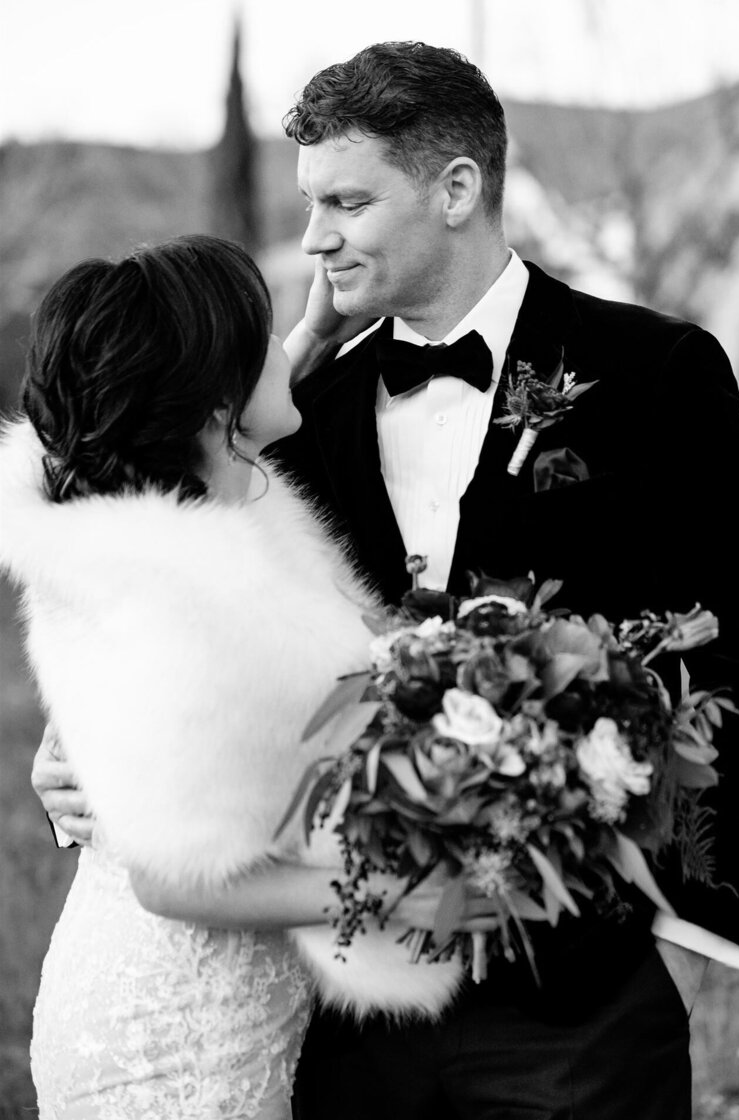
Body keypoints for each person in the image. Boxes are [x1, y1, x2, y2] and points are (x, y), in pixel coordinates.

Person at [32, 41, 739, 1120]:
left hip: (575, 1002)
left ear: (454, 188)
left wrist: (667, 936)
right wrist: (73, 775)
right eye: (306, 201)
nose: (313, 237)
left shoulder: (654, 374)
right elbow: (150, 585)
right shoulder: (291, 414)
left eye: (346, 200)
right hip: (340, 1011)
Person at [4, 234, 488, 1119]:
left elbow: (235, 441)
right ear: (217, 392)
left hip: (228, 1013)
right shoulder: (185, 598)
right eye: (263, 334)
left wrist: (302, 339)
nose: (286, 346)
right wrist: (423, 892)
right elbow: (170, 878)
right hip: (172, 1038)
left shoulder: (149, 522)